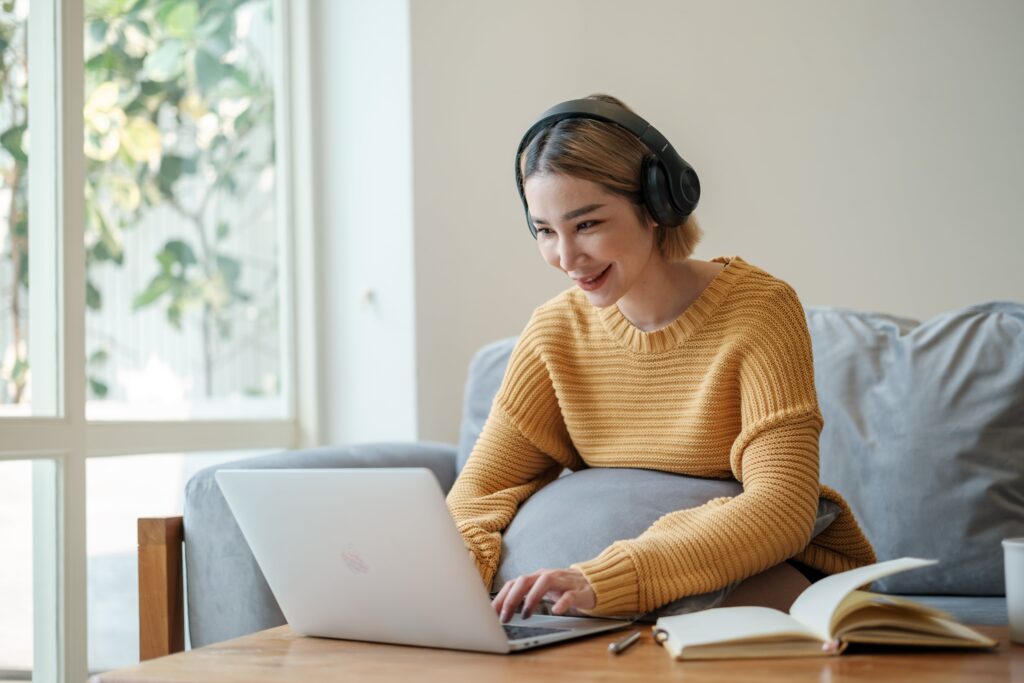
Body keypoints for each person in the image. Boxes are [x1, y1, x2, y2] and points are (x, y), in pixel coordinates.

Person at [446, 94, 876, 624]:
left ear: (657, 205)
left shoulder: (759, 310)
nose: (566, 257)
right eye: (545, 231)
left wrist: (609, 578)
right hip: (598, 607)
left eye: (586, 225)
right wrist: (449, 584)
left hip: (755, 577)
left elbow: (781, 507)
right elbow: (479, 493)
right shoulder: (554, 332)